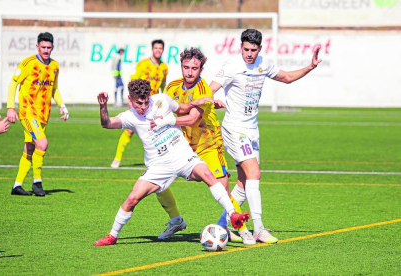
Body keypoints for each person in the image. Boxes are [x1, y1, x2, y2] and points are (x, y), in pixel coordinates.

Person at [93, 79, 249, 246]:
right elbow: (107, 123)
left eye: (146, 101)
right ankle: (112, 236)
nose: (144, 106)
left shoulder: (161, 100)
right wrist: (103, 107)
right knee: (132, 198)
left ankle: (233, 215)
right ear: (130, 99)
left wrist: (198, 101)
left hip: (183, 155)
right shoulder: (130, 116)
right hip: (159, 165)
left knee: (208, 174)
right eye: (139, 103)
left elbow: (182, 108)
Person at [209, 29, 322, 243]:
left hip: (252, 130)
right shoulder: (232, 66)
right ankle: (258, 228)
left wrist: (310, 66)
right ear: (240, 47)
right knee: (254, 173)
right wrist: (211, 99)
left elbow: (287, 78)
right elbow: (209, 89)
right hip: (235, 128)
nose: (249, 54)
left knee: (244, 182)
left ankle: (222, 225)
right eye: (245, 49)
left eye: (253, 50)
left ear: (259, 48)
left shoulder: (264, 64)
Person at [152, 47, 255, 245]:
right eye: (186, 67)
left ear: (201, 70)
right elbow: (165, 110)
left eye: (194, 68)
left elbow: (191, 119)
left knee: (221, 189)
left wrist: (167, 120)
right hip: (181, 145)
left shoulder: (203, 89)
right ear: (181, 66)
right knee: (156, 179)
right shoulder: (172, 87)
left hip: (208, 144)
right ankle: (175, 220)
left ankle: (242, 229)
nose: (189, 72)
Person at [7, 32, 69, 197]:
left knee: (29, 149)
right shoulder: (28, 63)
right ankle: (37, 182)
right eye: (43, 47)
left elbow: (54, 88)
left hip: (43, 115)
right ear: (37, 47)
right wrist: (10, 108)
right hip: (28, 113)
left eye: (49, 47)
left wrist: (62, 105)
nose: (46, 50)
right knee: (42, 144)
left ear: (53, 47)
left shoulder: (54, 66)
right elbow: (13, 84)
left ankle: (17, 186)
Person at [111, 39, 168, 169]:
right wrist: (132, 101)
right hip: (140, 104)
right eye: (156, 48)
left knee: (158, 130)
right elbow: (133, 82)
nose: (158, 50)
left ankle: (159, 160)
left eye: (160, 48)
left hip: (153, 105)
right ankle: (117, 159)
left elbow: (163, 86)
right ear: (152, 49)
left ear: (163, 50)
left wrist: (165, 101)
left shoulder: (165, 67)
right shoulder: (143, 64)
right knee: (129, 130)